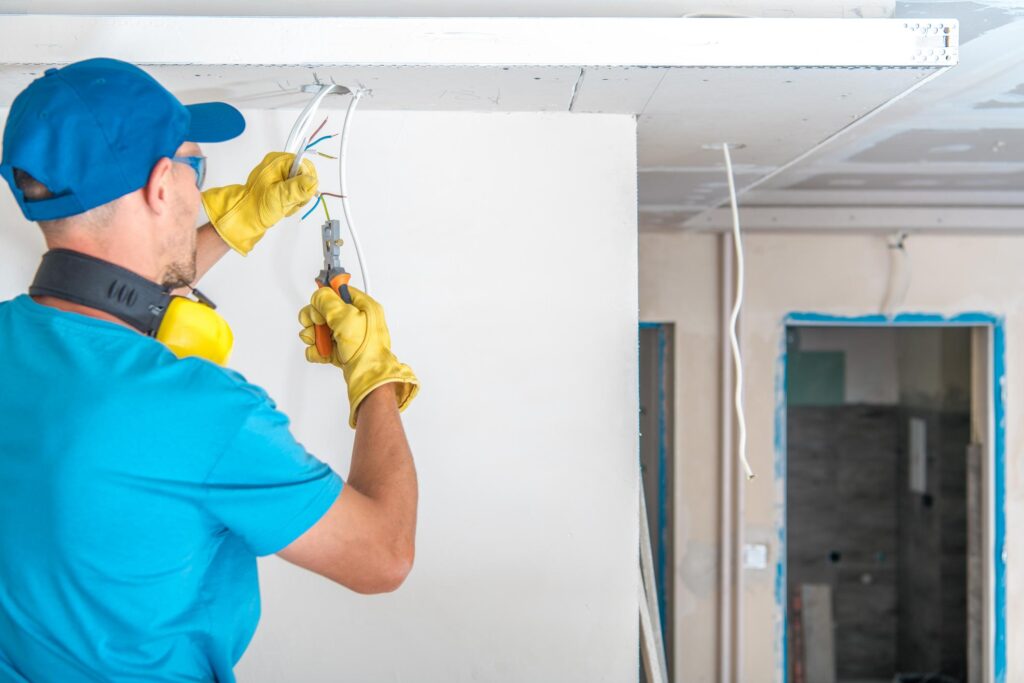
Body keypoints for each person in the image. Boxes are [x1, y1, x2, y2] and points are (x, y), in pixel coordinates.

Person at [0, 58, 419, 682]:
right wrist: (375, 376)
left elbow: (104, 300)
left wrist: (234, 221)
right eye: (196, 169)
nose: (200, 192)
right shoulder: (200, 413)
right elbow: (383, 556)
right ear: (161, 186)